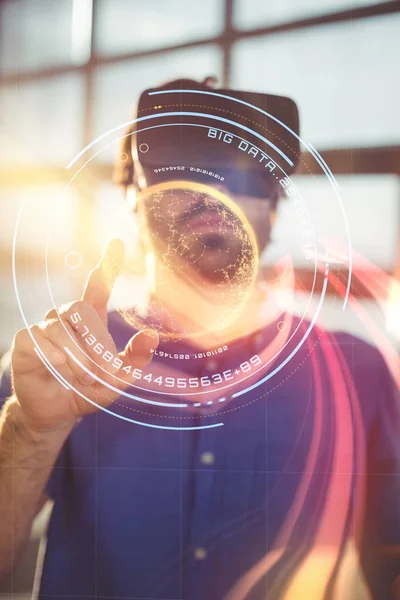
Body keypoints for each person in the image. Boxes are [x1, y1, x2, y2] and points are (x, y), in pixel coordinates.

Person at [0, 78, 399, 600]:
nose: (215, 188)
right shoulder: (63, 359)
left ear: (275, 207)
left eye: (246, 171)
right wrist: (31, 430)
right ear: (133, 197)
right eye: (180, 168)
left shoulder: (357, 373)